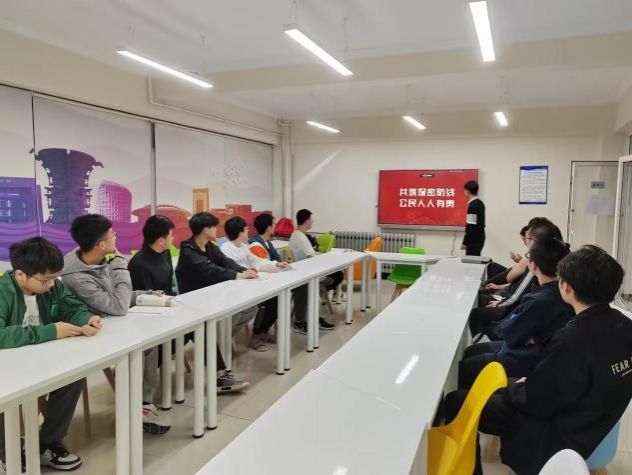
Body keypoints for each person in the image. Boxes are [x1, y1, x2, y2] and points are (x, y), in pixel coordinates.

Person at [441, 245, 632, 475]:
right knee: (507, 385)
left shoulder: (573, 338)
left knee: (456, 402)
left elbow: (536, 401)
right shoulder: (624, 325)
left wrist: (519, 387)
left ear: (567, 287)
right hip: (593, 419)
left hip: (554, 431)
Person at [61, 214, 170, 435]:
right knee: (141, 346)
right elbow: (118, 306)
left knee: (149, 343)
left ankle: (142, 404)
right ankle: (137, 406)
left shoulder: (96, 259)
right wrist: (120, 266)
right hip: (89, 334)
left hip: (110, 324)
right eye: (112, 234)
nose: (116, 237)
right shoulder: (76, 276)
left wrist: (146, 294)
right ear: (101, 244)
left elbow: (117, 297)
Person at [0, 237, 102, 472]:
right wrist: (51, 331)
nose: (52, 284)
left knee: (73, 375)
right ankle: (5, 451)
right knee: (7, 392)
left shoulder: (51, 285)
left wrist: (87, 319)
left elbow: (71, 306)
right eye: (45, 280)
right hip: (7, 368)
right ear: (20, 275)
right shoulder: (3, 292)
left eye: (55, 277)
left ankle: (47, 442)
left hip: (41, 360)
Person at [458, 238, 572, 389]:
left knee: (463, 369)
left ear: (533, 265)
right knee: (471, 352)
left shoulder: (539, 299)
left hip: (520, 359)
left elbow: (510, 333)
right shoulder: (563, 292)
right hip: (527, 352)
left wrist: (520, 332)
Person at [176, 212, 257, 392]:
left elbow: (225, 262)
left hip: (210, 300)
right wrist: (237, 275)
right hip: (192, 306)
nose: (216, 230)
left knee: (248, 309)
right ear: (205, 230)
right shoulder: (188, 250)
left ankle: (221, 373)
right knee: (205, 332)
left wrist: (243, 270)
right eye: (213, 227)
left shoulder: (209, 246)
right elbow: (209, 270)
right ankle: (220, 377)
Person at [221, 216, 288, 351]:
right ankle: (255, 336)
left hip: (251, 285)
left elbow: (256, 261)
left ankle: (259, 333)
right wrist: (252, 271)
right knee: (268, 302)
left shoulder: (244, 247)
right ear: (239, 232)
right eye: (246, 229)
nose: (248, 232)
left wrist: (276, 264)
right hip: (237, 290)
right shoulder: (226, 249)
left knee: (276, 299)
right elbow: (235, 270)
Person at [249, 213, 310, 337]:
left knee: (303, 285)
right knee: (277, 299)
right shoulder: (255, 245)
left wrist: (280, 264)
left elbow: (275, 261)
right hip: (266, 283)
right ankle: (259, 332)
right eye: (274, 224)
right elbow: (264, 267)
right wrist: (278, 265)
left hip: (276, 278)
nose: (275, 226)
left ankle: (299, 320)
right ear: (268, 228)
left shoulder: (267, 242)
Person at [289, 209, 338, 333]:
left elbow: (311, 254)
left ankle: (313, 313)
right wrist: (325, 258)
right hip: (306, 273)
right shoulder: (300, 237)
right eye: (311, 219)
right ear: (306, 221)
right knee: (336, 276)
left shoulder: (299, 235)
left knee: (337, 275)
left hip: (307, 270)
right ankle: (310, 316)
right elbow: (311, 257)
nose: (313, 221)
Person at [129, 215, 176, 295]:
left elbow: (168, 286)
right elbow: (145, 298)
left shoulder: (165, 252)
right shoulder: (139, 265)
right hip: (153, 301)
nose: (173, 238)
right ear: (161, 241)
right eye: (171, 235)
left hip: (169, 299)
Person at [461, 180, 485, 256]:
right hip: (480, 237)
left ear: (468, 191)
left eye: (465, 190)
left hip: (473, 240)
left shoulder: (473, 206)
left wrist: (465, 242)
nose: (464, 192)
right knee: (476, 259)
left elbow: (471, 226)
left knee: (471, 260)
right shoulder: (480, 203)